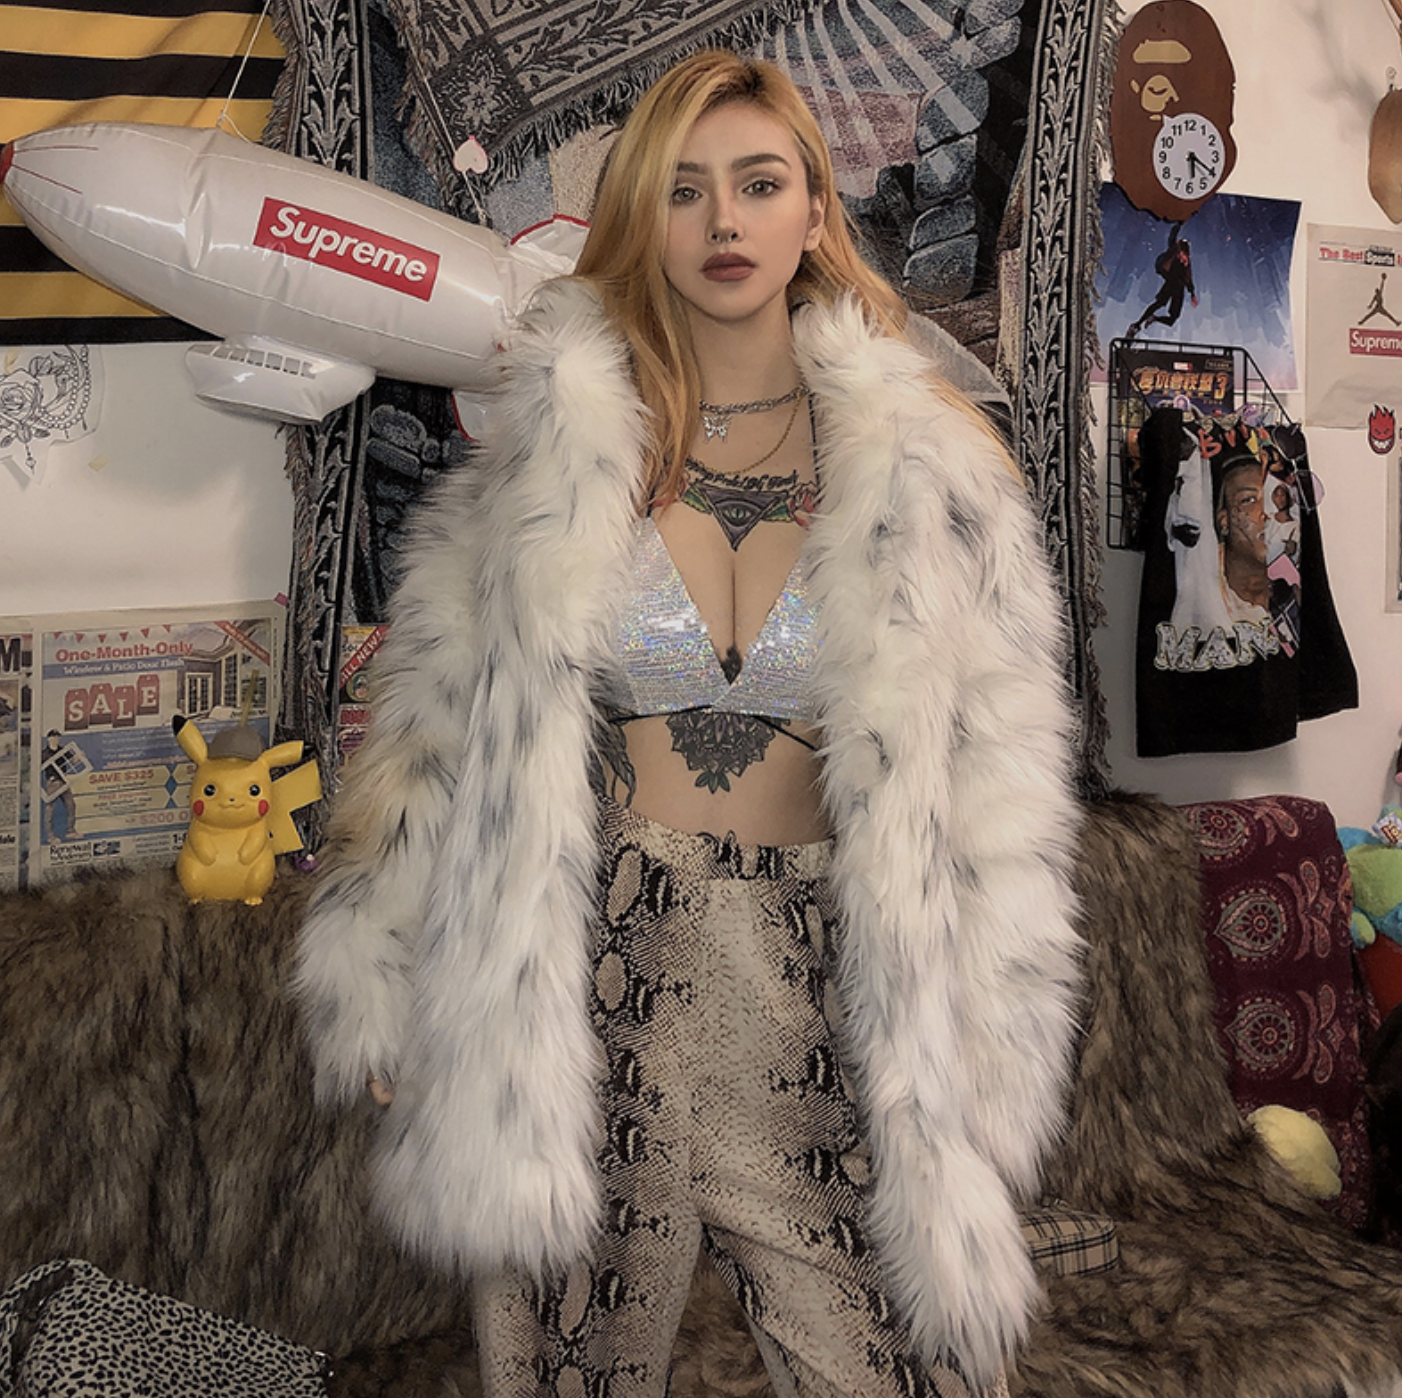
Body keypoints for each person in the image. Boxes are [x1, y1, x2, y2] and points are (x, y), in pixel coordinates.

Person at [295, 50, 1082, 1398]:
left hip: (830, 988)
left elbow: (1004, 787)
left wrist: (996, 1043)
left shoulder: (936, 473)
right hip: (598, 976)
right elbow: (430, 729)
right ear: (639, 219)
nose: (724, 221)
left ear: (815, 210)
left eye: (759, 184)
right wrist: (378, 964)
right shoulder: (551, 463)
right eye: (684, 189)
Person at [1127, 219, 1197, 340]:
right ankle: (1137, 324)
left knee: (1173, 318)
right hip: (1171, 284)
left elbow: (1188, 278)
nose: (1182, 255)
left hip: (1178, 288)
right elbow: (1172, 237)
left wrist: (1192, 294)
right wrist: (1178, 224)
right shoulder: (1173, 253)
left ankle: (1153, 319)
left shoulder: (1186, 263)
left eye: (1184, 253)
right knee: (1159, 303)